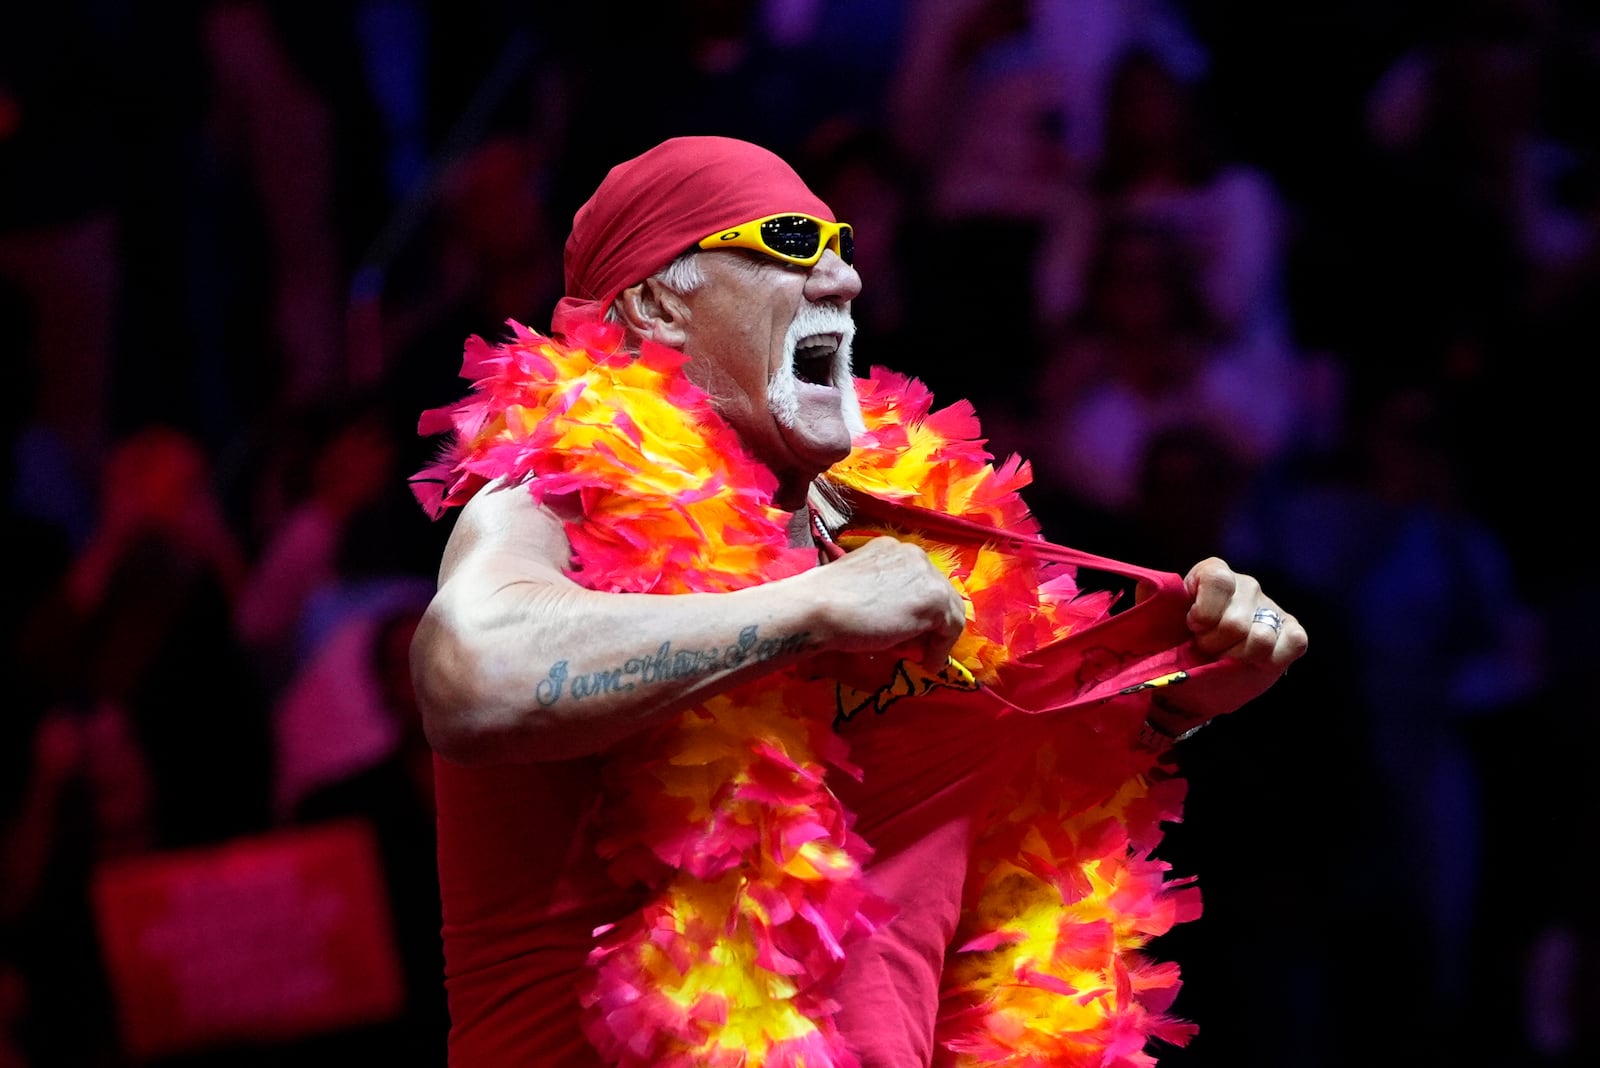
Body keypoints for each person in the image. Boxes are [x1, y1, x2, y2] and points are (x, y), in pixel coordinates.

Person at [407, 135, 1307, 1067]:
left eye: (839, 243)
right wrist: (808, 610)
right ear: (654, 303)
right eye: (792, 240)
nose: (842, 278)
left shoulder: (899, 538)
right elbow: (470, 676)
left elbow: (985, 804)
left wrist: (1176, 702)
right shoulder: (557, 495)